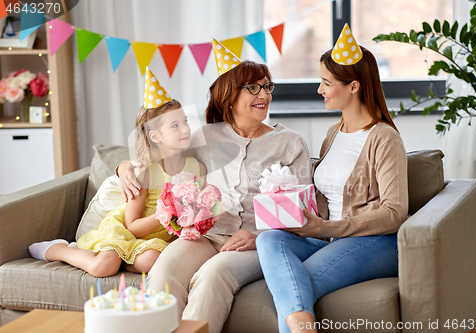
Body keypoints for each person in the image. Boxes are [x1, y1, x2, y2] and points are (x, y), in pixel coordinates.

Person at [117, 39, 312, 333]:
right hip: (206, 234)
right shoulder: (204, 136)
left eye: (267, 86)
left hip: (261, 243)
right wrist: (123, 168)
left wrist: (259, 233)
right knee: (164, 271)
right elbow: (155, 151)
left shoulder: (290, 143)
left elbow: (303, 209)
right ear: (230, 96)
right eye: (253, 87)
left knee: (212, 277)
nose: (264, 95)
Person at [255, 24, 408, 333]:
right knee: (268, 239)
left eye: (326, 82)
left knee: (295, 286)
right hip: (328, 239)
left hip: (374, 243)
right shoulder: (332, 133)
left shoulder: (384, 138)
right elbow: (324, 197)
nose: (319, 90)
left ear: (353, 86)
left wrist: (326, 227)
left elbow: (395, 213)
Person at [29, 69, 206, 278]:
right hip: (127, 234)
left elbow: (201, 209)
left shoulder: (197, 169)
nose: (185, 130)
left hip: (158, 241)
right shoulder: (146, 172)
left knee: (152, 260)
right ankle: (59, 250)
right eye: (175, 125)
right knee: (103, 268)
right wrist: (168, 215)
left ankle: (122, 260)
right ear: (155, 136)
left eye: (185, 121)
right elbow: (132, 226)